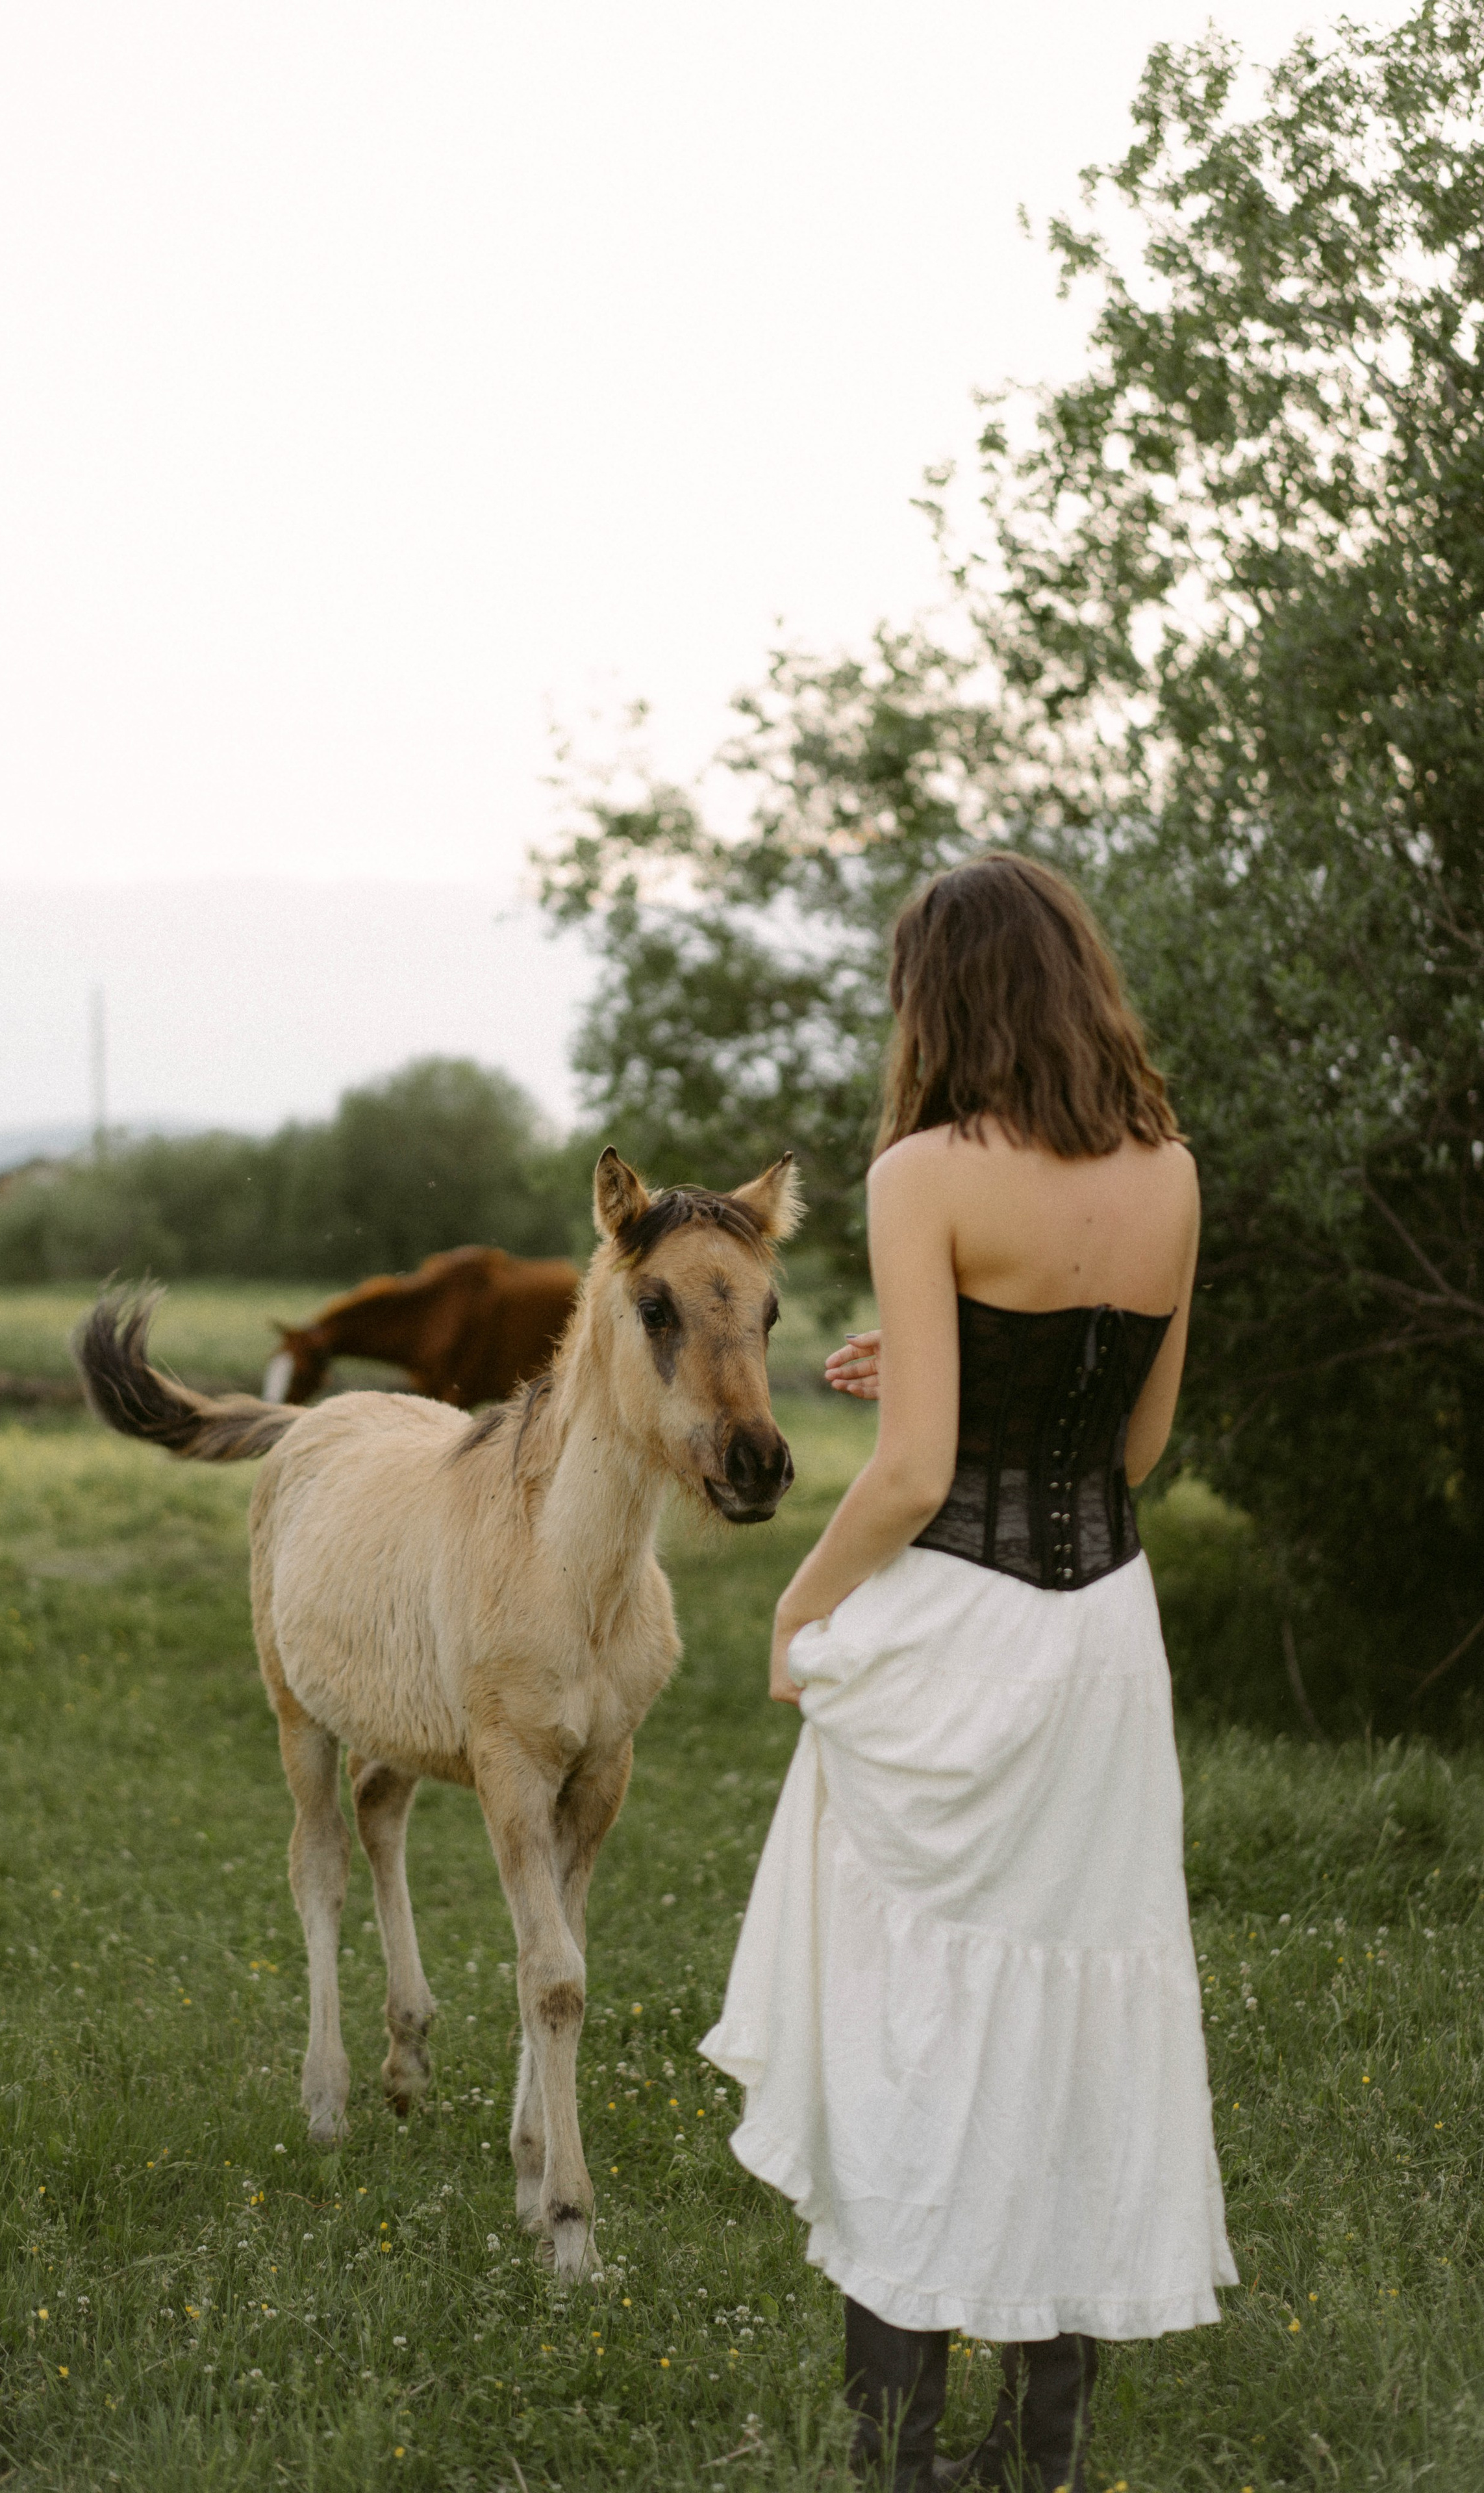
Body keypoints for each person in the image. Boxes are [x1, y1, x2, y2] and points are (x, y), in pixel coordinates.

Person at [700, 854, 1236, 2493]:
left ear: (940, 996)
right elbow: (1133, 1437)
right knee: (1066, 2014)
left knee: (908, 2016)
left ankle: (899, 2455)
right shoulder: (1170, 1172)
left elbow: (918, 1471)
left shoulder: (921, 1168)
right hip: (1099, 1645)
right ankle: (1040, 2451)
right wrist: (954, 1380)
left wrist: (795, 1606)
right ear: (1074, 980)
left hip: (957, 1631)